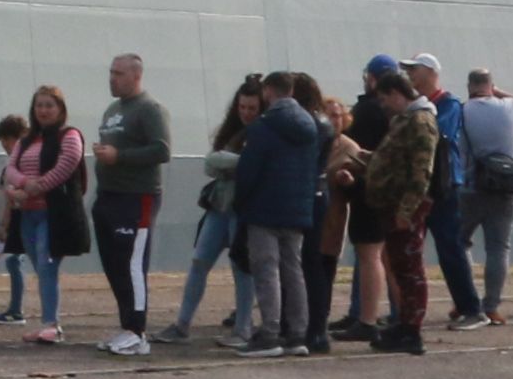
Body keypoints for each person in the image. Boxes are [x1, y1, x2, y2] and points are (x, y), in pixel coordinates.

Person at [230, 71, 331, 355]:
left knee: (266, 270)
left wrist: (242, 203)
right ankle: (298, 334)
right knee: (293, 270)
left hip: (265, 208)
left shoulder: (263, 126)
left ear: (269, 91)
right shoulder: (310, 125)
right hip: (298, 208)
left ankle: (270, 333)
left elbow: (249, 171)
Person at [344, 65, 437, 353]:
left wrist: (406, 211)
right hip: (392, 206)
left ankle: (412, 330)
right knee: (400, 266)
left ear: (396, 94)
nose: (382, 106)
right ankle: (404, 324)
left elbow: (421, 171)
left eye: (384, 99)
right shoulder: (404, 120)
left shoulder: (420, 121)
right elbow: (394, 160)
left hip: (405, 208)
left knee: (410, 271)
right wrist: (366, 159)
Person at [88, 56, 170, 357]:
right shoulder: (113, 110)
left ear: (136, 76)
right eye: (110, 72)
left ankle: (138, 332)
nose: (112, 79)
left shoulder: (149, 109)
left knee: (133, 263)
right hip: (109, 195)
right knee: (114, 264)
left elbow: (162, 149)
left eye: (119, 74)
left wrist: (119, 156)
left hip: (137, 197)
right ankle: (126, 326)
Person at [0, 81, 82, 348]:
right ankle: (48, 322)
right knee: (40, 266)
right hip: (28, 214)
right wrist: (22, 186)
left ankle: (52, 325)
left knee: (47, 265)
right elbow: (10, 168)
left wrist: (35, 187)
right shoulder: (26, 140)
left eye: (49, 105)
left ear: (60, 109)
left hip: (53, 214)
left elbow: (66, 165)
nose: (44, 110)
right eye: (39, 105)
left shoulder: (69, 136)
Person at [172, 77, 256, 343]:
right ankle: (182, 323)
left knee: (242, 268)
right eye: (242, 107)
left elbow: (227, 164)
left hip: (242, 209)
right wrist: (240, 163)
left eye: (252, 108)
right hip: (220, 205)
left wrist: (230, 163)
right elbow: (210, 164)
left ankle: (243, 328)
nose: (246, 113)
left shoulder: (261, 133)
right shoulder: (233, 133)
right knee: (199, 260)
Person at [448, 69, 513, 327]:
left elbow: (458, 149)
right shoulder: (509, 107)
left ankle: (466, 301)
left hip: (471, 189)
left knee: (459, 242)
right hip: (506, 190)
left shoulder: (463, 111)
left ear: (469, 86)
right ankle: (492, 306)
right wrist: (500, 92)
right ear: (491, 86)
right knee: (498, 248)